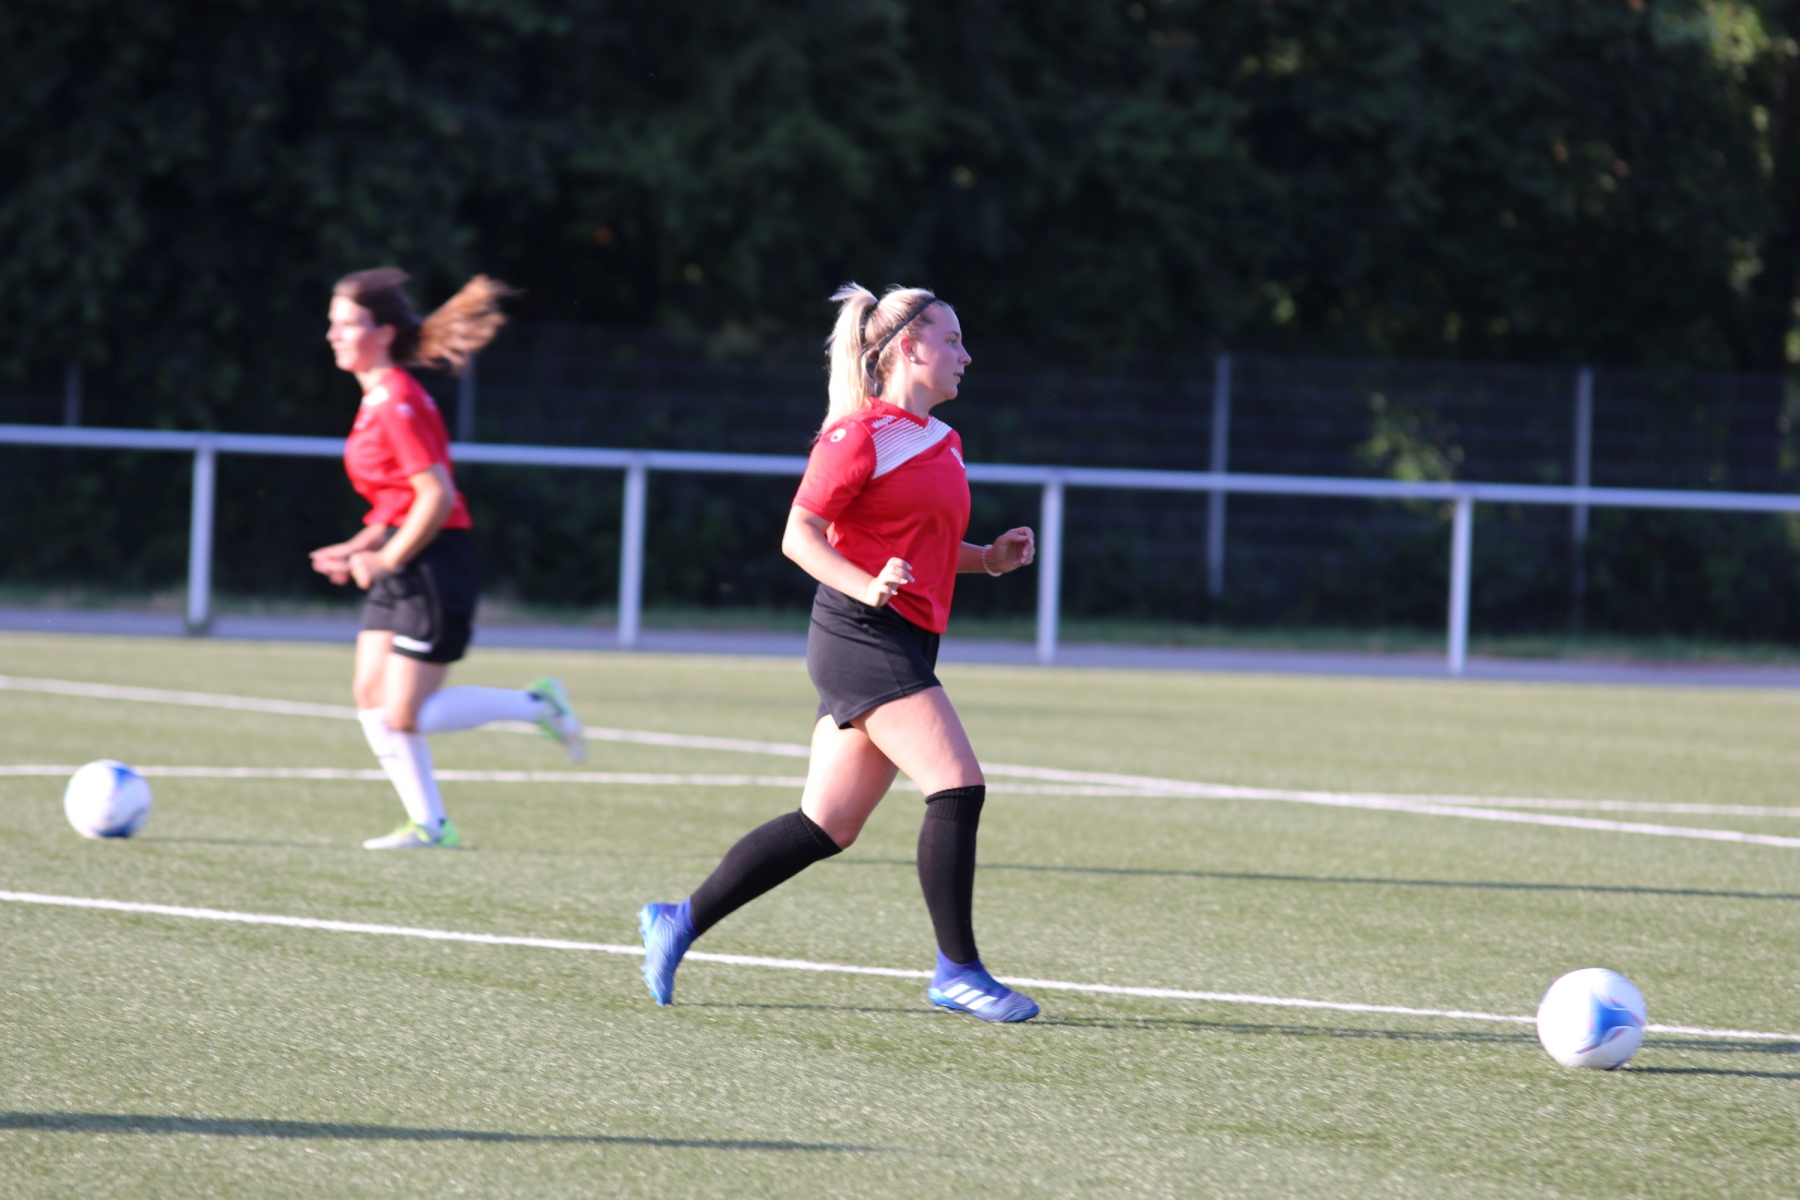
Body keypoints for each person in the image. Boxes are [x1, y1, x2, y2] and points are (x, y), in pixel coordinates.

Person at [637, 284, 1040, 1022]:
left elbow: (926, 547)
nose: (966, 355)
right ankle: (958, 970)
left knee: (826, 824)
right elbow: (799, 535)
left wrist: (989, 559)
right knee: (957, 785)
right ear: (909, 347)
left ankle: (678, 920)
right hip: (859, 633)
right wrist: (868, 585)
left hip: (905, 637)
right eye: (952, 340)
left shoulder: (944, 440)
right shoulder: (857, 435)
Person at [311, 267, 586, 850]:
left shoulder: (396, 400)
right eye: (333, 323)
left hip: (434, 566)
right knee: (370, 697)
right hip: (404, 556)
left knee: (405, 714)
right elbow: (399, 500)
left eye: (346, 324)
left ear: (383, 333)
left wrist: (386, 559)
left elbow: (435, 497)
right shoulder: (377, 398)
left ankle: (535, 704)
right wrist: (359, 546)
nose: (333, 334)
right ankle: (430, 825)